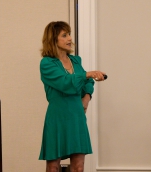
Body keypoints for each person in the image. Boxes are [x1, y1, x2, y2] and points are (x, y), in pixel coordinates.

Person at [38, 21, 106, 172]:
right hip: (57, 118)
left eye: (69, 34)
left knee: (78, 167)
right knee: (53, 166)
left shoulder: (76, 61)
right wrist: (88, 73)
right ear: (53, 39)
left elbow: (87, 82)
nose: (70, 38)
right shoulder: (47, 63)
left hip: (77, 117)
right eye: (64, 35)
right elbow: (65, 83)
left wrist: (86, 99)